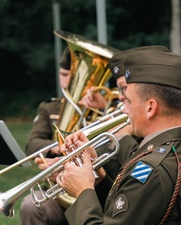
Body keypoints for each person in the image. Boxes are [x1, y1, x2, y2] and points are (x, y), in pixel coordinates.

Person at [56, 51, 181, 224]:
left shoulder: (152, 168)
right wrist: (98, 179)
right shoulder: (168, 151)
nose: (122, 109)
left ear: (150, 108)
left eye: (128, 101)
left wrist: (83, 190)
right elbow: (129, 212)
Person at [20, 47, 71, 225]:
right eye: (63, 74)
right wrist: (60, 146)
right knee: (30, 205)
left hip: (96, 194)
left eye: (73, 75)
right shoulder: (50, 108)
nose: (67, 81)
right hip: (58, 192)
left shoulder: (106, 108)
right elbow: (32, 145)